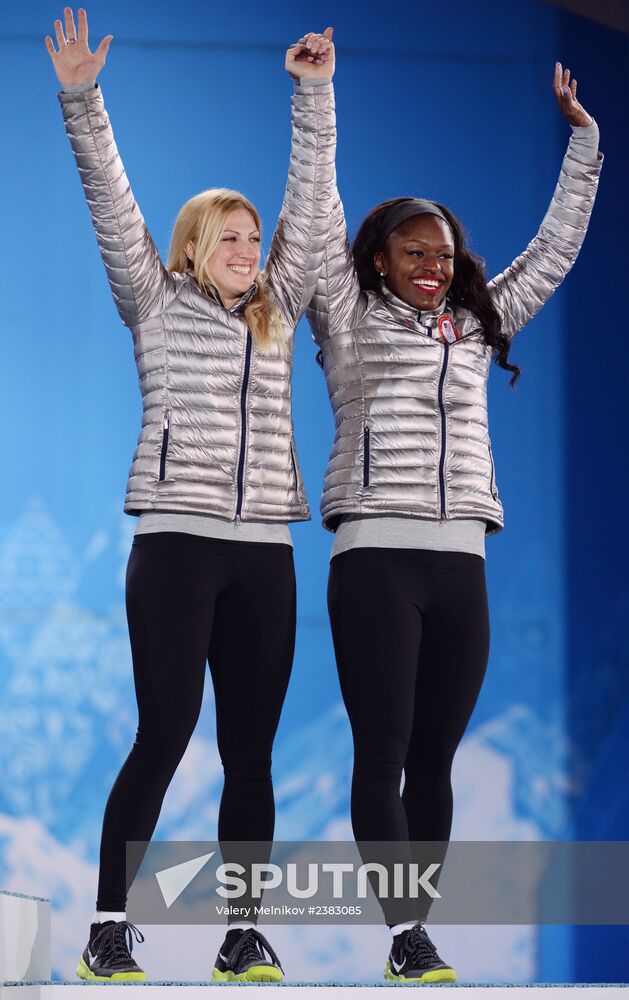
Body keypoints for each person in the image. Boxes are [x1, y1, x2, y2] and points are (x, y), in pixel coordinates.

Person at [45, 6, 335, 984]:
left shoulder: (277, 312)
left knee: (250, 751)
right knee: (164, 732)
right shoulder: (151, 296)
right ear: (192, 244)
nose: (250, 249)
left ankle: (241, 930)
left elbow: (312, 205)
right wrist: (83, 98)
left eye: (255, 237)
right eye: (231, 236)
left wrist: (312, 93)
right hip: (174, 546)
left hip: (264, 552)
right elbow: (108, 196)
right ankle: (107, 928)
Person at [307, 63, 602, 983]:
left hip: (458, 561)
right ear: (378, 261)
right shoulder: (345, 315)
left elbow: (552, 252)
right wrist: (314, 98)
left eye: (441, 254)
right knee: (382, 750)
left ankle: (414, 934)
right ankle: (404, 934)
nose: (431, 267)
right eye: (412, 253)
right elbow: (316, 215)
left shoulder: (476, 324)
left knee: (434, 757)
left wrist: (583, 141)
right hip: (374, 559)